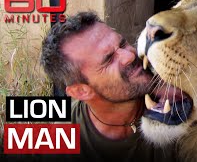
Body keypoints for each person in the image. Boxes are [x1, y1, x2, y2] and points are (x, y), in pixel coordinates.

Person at [40, 11, 176, 162]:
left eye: (122, 43)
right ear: (81, 91)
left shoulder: (177, 92)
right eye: (109, 59)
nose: (129, 55)